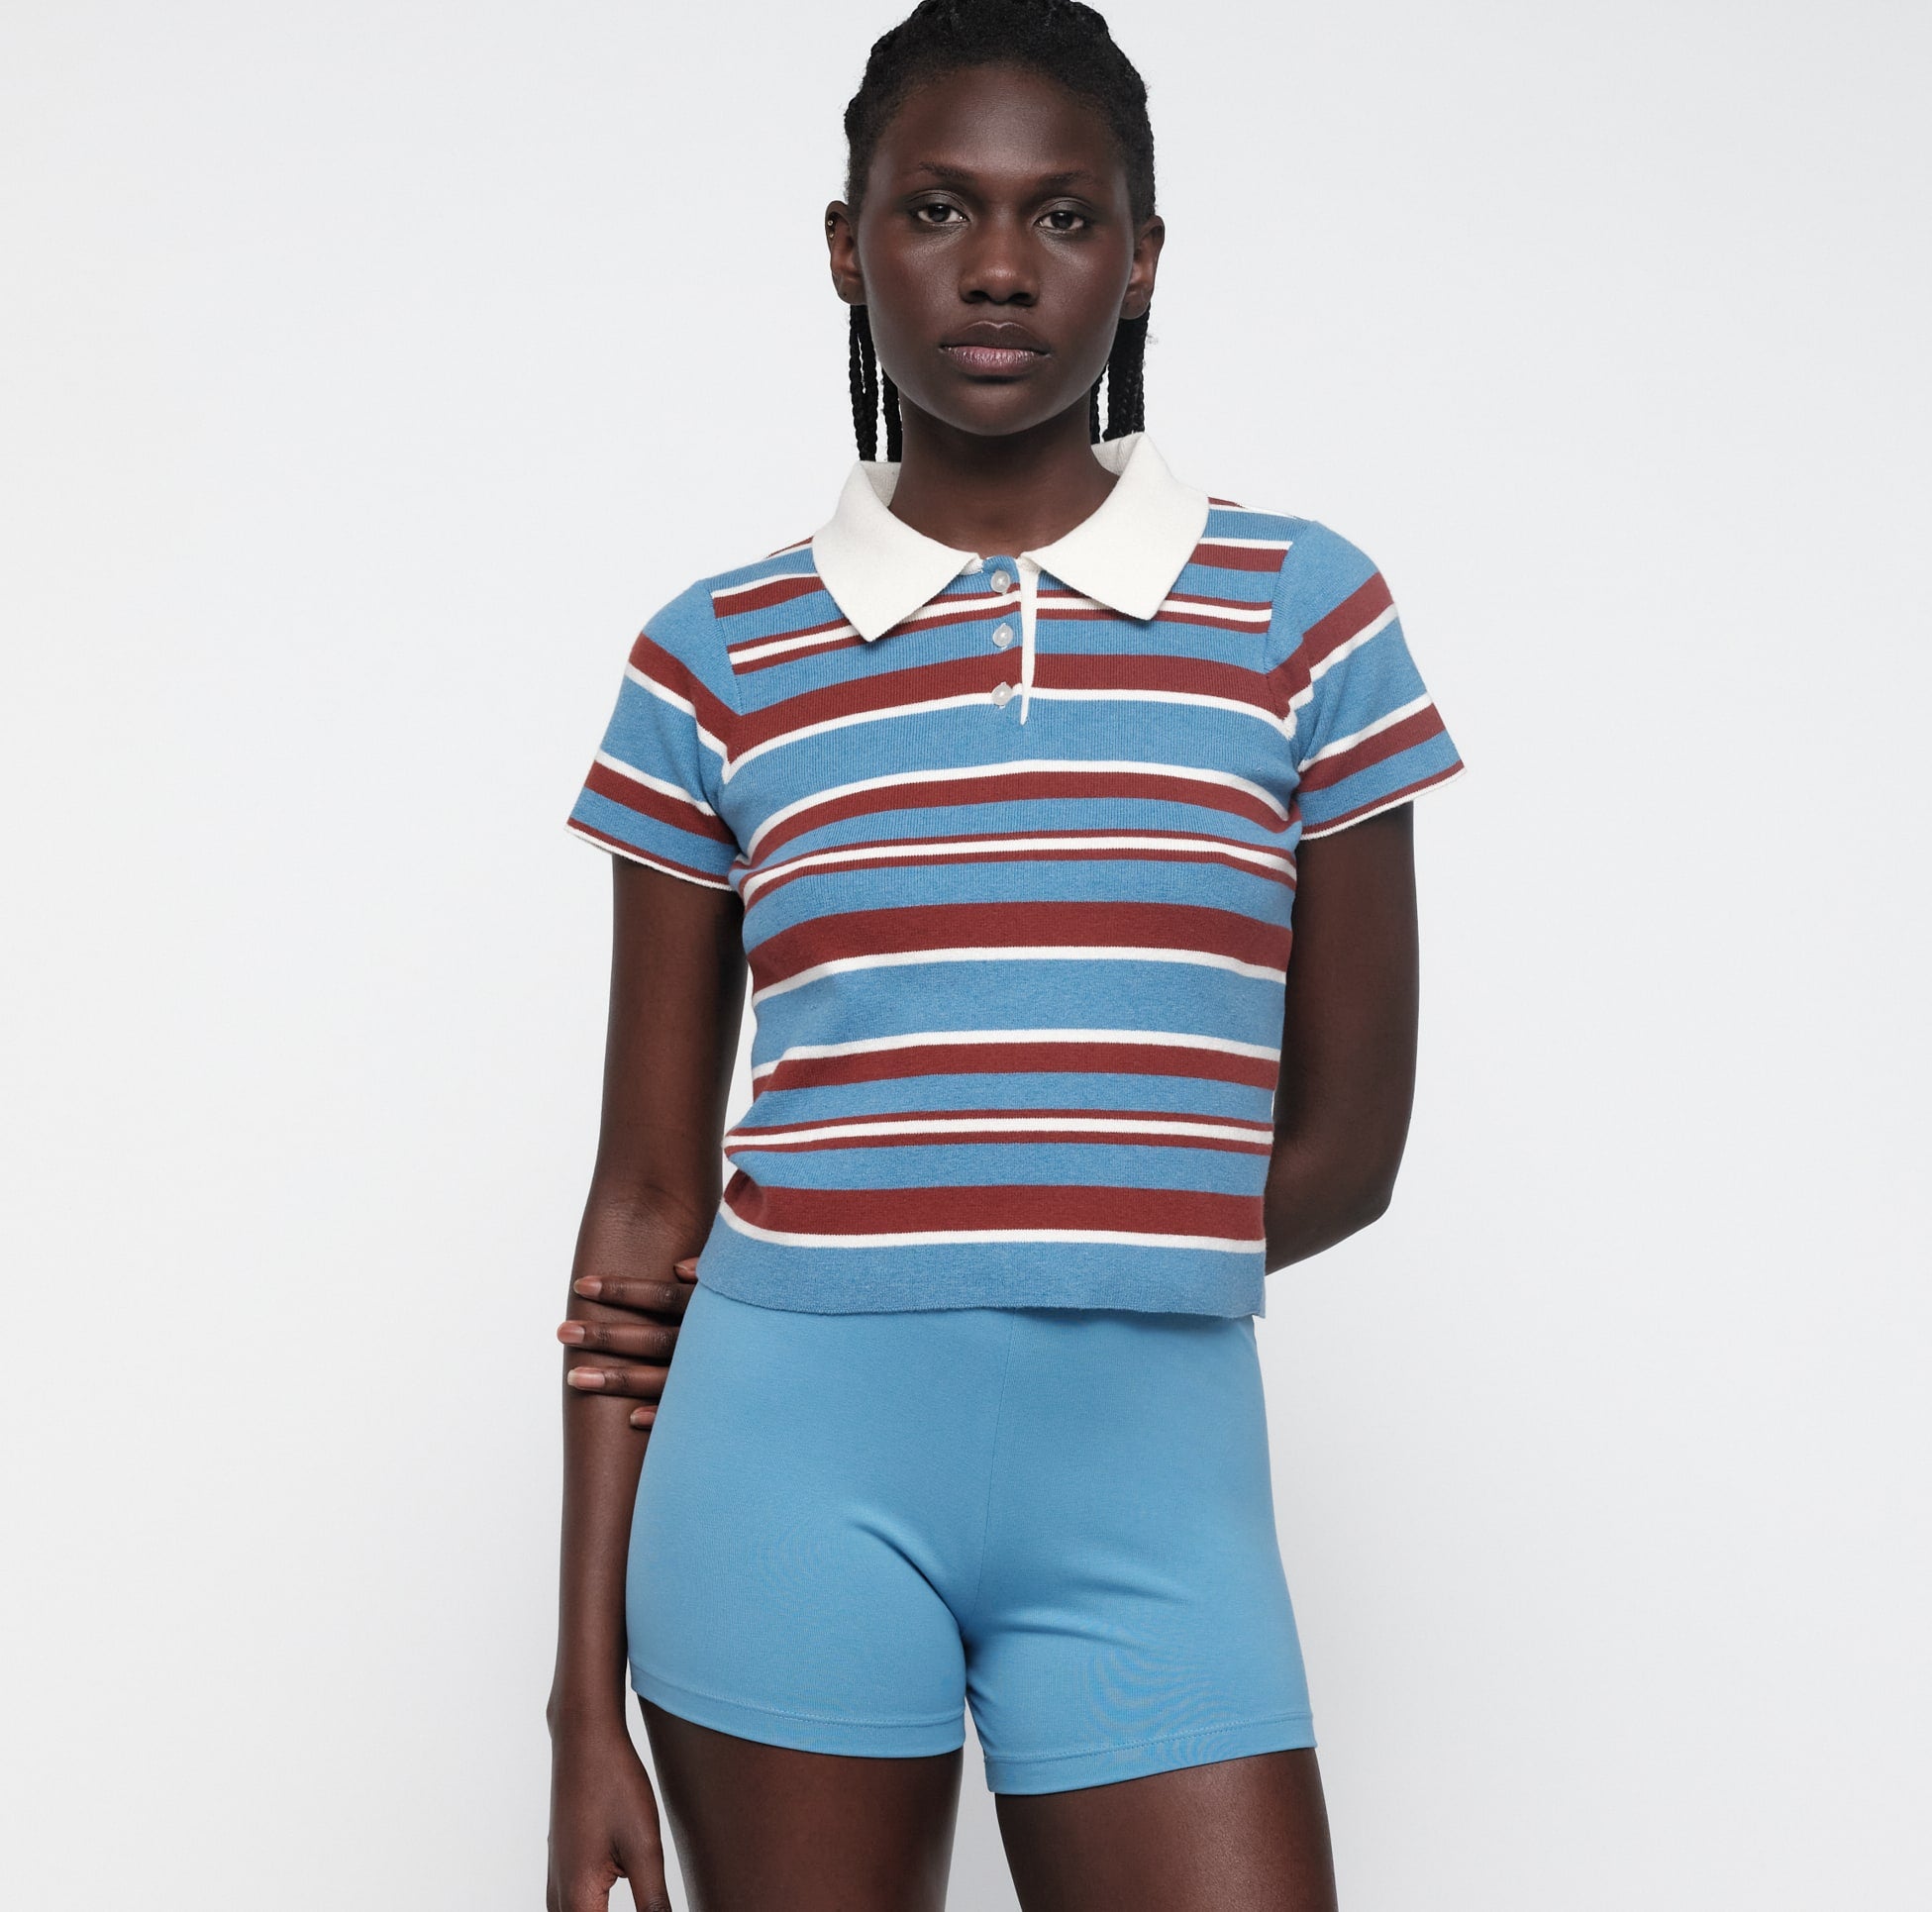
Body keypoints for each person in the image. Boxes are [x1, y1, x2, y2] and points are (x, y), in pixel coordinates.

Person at [544, 3, 1466, 1906]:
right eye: (936, 207)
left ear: (1141, 257)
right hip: (781, 1473)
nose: (995, 266)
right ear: (846, 243)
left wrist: (1062, 1241)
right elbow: (642, 1204)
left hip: (1156, 1489)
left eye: (1061, 216)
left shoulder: (1304, 614)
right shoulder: (716, 658)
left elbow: (1350, 1149)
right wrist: (578, 1711)